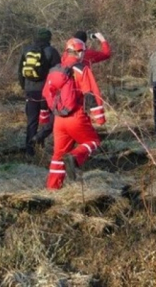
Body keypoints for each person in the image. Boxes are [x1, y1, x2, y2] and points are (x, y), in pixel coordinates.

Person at [42, 38, 106, 190]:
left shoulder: (57, 69)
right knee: (93, 142)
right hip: (76, 116)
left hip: (59, 118)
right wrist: (100, 117)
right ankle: (74, 158)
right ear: (79, 52)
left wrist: (44, 115)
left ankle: (52, 187)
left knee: (58, 156)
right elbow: (92, 93)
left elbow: (46, 93)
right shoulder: (81, 69)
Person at [18, 28, 61, 156]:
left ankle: (30, 151)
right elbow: (58, 73)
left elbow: (20, 72)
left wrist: (25, 87)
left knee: (32, 121)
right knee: (50, 120)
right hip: (47, 92)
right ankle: (40, 140)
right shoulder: (52, 52)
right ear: (48, 38)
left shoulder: (26, 51)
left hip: (30, 91)